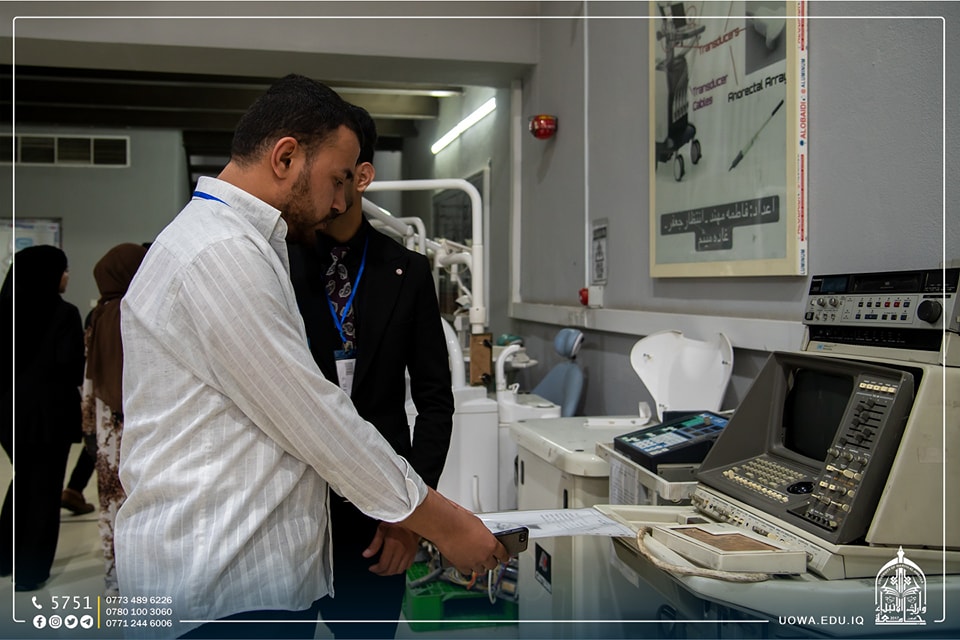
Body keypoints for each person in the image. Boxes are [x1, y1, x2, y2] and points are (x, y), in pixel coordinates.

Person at [115, 74, 506, 640]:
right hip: (217, 584)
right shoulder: (221, 254)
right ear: (285, 157)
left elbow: (422, 399)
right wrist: (444, 524)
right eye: (337, 178)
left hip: (251, 572)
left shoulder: (237, 242)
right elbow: (317, 420)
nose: (342, 200)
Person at [289, 106, 455, 639]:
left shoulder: (407, 271)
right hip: (292, 510)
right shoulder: (278, 262)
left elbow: (435, 401)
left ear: (360, 175)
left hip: (380, 517)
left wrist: (413, 515)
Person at [0, 245, 85, 591]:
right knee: (45, 490)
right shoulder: (64, 313)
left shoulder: (5, 311)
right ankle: (30, 571)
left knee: (23, 479)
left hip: (9, 412)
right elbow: (71, 367)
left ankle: (4, 556)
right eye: (64, 269)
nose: (67, 276)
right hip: (51, 413)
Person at [81, 242, 147, 595]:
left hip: (106, 426)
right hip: (133, 423)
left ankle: (114, 575)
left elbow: (88, 379)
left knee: (110, 502)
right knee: (137, 501)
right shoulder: (133, 311)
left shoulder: (97, 315)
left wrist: (89, 428)